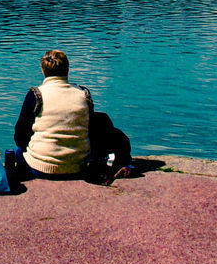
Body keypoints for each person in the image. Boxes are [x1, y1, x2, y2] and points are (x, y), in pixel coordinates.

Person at [10, 49, 131, 182]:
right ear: (67, 69)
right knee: (100, 120)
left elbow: (19, 137)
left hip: (40, 168)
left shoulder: (36, 94)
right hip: (79, 167)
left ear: (43, 71)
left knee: (17, 150)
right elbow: (89, 128)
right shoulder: (83, 93)